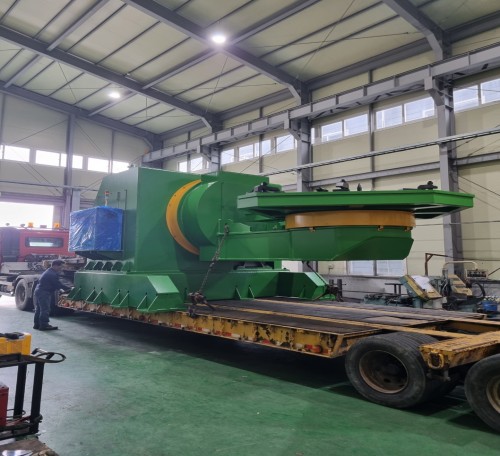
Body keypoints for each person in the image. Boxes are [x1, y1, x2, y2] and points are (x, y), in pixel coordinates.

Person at [33, 259, 70, 331]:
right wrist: (69, 288)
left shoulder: (49, 272)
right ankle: (44, 325)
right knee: (45, 309)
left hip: (39, 291)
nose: (61, 269)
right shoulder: (52, 274)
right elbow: (57, 284)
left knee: (39, 309)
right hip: (44, 292)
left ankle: (37, 324)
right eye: (61, 267)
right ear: (55, 266)